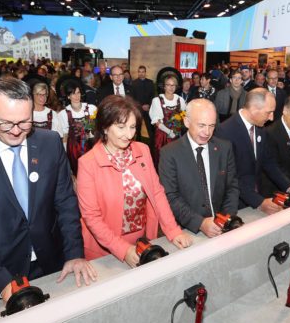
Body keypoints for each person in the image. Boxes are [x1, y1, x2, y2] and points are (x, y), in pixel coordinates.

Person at [0, 77, 96, 300]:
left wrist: (74, 253)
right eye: (6, 123)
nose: (16, 131)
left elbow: (65, 203)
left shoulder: (50, 143)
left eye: (25, 122)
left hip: (53, 266)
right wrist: (0, 282)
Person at [76, 95, 192, 266]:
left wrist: (173, 230)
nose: (128, 135)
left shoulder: (142, 150)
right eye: (121, 127)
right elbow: (91, 217)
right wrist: (123, 250)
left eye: (132, 127)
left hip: (142, 240)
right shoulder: (88, 163)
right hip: (105, 250)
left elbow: (157, 193)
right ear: (105, 127)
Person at [215, 88, 290, 215]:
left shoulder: (260, 127)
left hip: (258, 198)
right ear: (254, 109)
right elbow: (230, 177)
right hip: (236, 205)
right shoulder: (224, 132)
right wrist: (258, 202)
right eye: (269, 112)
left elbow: (268, 162)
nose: (271, 118)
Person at [159, 99, 239, 237]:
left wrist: (226, 220)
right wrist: (200, 223)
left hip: (224, 228)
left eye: (211, 126)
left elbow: (232, 187)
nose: (207, 132)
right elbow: (171, 196)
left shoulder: (225, 148)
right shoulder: (169, 153)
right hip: (189, 232)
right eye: (201, 125)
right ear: (186, 122)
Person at [58, 82, 97, 176]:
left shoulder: (91, 108)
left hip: (91, 147)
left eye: (78, 92)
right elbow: (65, 137)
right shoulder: (63, 114)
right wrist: (65, 156)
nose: (76, 96)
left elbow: (96, 130)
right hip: (74, 151)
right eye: (73, 93)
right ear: (68, 96)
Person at [150, 74, 187, 167]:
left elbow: (184, 116)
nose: (171, 87)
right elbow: (157, 121)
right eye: (168, 85)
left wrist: (178, 129)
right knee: (162, 160)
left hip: (177, 135)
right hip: (162, 136)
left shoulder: (180, 100)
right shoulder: (157, 100)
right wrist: (169, 131)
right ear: (164, 86)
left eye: (173, 85)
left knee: (177, 160)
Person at [130, 65, 155, 143]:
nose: (141, 73)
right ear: (138, 73)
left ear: (145, 73)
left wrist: (149, 105)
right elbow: (132, 97)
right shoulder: (134, 83)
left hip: (148, 109)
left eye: (143, 72)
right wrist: (140, 106)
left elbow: (153, 96)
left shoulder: (150, 83)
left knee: (150, 128)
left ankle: (152, 144)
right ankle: (138, 143)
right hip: (138, 109)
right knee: (137, 128)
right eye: (139, 72)